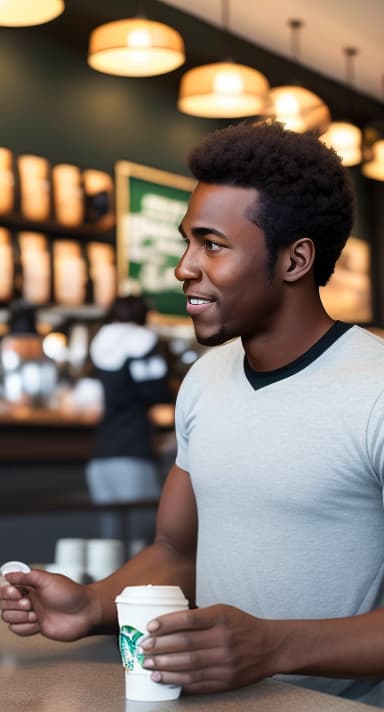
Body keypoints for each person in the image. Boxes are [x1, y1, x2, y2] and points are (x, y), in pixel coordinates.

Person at [2, 121, 384, 706]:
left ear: (295, 260)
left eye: (212, 244)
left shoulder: (375, 388)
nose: (183, 267)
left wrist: (275, 647)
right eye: (187, 242)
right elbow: (177, 553)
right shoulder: (205, 381)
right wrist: (92, 604)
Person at [85, 295, 174, 542]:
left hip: (100, 458)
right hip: (132, 453)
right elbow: (156, 391)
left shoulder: (99, 342)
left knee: (110, 543)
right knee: (144, 539)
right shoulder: (141, 341)